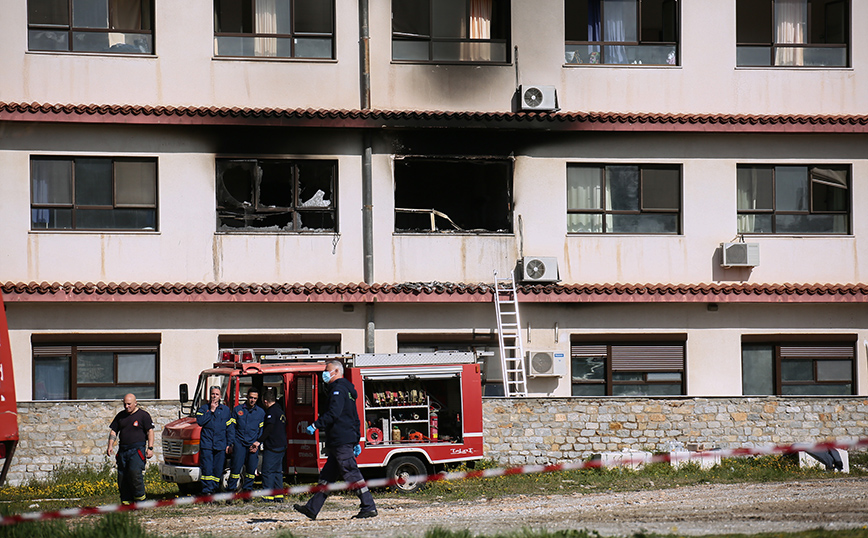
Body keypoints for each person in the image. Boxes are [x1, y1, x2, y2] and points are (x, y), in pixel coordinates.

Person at [294, 360, 377, 520]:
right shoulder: (347, 391)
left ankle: (368, 506)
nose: (324, 373)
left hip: (340, 439)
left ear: (337, 372)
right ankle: (312, 508)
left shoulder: (338, 390)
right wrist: (356, 440)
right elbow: (355, 417)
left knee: (350, 472)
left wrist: (316, 424)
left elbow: (334, 413)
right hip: (343, 439)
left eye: (327, 370)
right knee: (327, 476)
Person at [107, 393, 155, 505]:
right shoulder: (120, 416)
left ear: (135, 403)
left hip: (137, 450)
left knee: (135, 474)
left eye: (129, 404)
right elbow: (114, 431)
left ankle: (140, 500)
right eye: (125, 404)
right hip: (123, 450)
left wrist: (150, 448)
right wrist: (110, 445)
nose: (126, 406)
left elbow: (150, 431)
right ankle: (126, 501)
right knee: (122, 476)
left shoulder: (143, 415)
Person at [227, 388, 265, 495]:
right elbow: (231, 428)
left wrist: (258, 442)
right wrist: (231, 442)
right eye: (251, 397)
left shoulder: (261, 413)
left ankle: (247, 491)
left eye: (255, 398)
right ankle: (231, 491)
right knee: (235, 469)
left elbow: (261, 430)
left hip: (253, 444)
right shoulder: (237, 410)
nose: (252, 400)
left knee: (251, 470)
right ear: (247, 397)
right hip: (239, 443)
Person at [196, 385, 232, 495]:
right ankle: (207, 492)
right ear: (209, 395)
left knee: (218, 469)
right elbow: (200, 422)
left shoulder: (225, 410)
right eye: (212, 394)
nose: (214, 396)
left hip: (220, 445)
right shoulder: (203, 409)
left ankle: (215, 491)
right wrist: (211, 411)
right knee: (207, 470)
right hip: (207, 444)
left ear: (220, 396)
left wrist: (229, 444)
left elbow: (229, 428)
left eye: (217, 394)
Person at [256, 388, 287, 502]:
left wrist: (259, 441)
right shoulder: (279, 411)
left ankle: (267, 497)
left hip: (273, 447)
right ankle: (279, 496)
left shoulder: (271, 412)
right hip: (282, 446)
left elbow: (269, 429)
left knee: (267, 471)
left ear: (265, 401)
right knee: (277, 472)